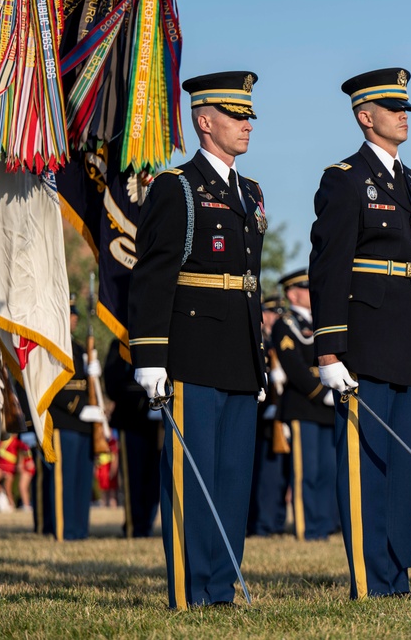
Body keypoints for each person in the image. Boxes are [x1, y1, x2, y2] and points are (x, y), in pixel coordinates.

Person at [128, 71, 266, 608]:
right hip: (191, 350)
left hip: (239, 352)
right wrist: (149, 356)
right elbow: (154, 274)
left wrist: (258, 357)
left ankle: (220, 585)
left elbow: (248, 283)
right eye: (236, 116)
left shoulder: (249, 191)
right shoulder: (177, 186)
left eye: (248, 116)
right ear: (204, 121)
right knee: (193, 476)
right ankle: (190, 590)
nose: (246, 125)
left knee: (232, 480)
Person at [309, 67, 411, 600]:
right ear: (365, 116)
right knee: (367, 465)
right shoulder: (343, 178)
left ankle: (397, 575)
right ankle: (369, 580)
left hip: (409, 342)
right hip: (364, 342)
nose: (403, 115)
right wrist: (330, 349)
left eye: (405, 107)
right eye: (392, 108)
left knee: (406, 469)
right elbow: (329, 266)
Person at [272, 269, 340, 541]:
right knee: (306, 472)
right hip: (303, 405)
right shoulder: (284, 324)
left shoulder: (323, 321)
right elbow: (294, 367)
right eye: (305, 287)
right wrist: (319, 391)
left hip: (327, 406)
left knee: (328, 470)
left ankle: (324, 525)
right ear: (291, 293)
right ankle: (307, 527)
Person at [33, 298, 102, 540]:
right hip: (63, 422)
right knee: (64, 482)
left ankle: (79, 530)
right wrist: (79, 407)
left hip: (84, 425)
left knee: (82, 482)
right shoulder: (50, 348)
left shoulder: (80, 349)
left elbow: (87, 387)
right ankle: (64, 530)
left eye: (75, 314)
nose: (74, 318)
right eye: (70, 313)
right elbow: (51, 387)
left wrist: (94, 374)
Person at [103, 338, 162, 537]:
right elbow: (112, 383)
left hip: (157, 422)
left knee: (154, 477)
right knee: (133, 477)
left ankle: (147, 524)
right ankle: (134, 526)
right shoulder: (120, 343)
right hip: (131, 420)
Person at [248, 295, 291, 537]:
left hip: (280, 418)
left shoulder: (279, 345)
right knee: (263, 477)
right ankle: (261, 524)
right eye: (270, 314)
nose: (274, 319)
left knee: (279, 477)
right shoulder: (259, 343)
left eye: (278, 315)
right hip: (261, 419)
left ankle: (276, 521)